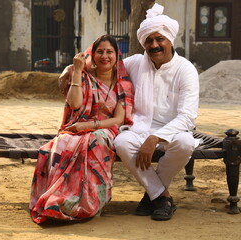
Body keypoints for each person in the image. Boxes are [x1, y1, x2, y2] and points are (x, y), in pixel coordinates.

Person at [29, 35, 134, 224]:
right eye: (99, 51)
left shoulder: (122, 84)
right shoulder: (85, 77)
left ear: (116, 56)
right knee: (63, 143)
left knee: (94, 141)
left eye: (109, 52)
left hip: (105, 129)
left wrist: (88, 126)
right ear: (92, 55)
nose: (105, 56)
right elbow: (75, 104)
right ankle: (61, 200)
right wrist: (76, 72)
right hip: (78, 126)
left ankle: (90, 202)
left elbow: (118, 119)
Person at [113, 3, 199, 221]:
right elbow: (104, 65)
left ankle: (152, 195)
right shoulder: (134, 63)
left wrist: (154, 138)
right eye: (149, 40)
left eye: (159, 39)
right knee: (122, 143)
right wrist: (73, 69)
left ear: (170, 40)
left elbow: (187, 117)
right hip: (140, 127)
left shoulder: (185, 69)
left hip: (172, 131)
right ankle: (162, 196)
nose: (154, 45)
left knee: (186, 143)